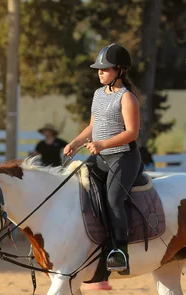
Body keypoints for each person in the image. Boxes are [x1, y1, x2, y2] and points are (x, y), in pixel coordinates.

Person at [63, 43, 141, 274]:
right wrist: (76, 143)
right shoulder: (98, 95)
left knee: (114, 199)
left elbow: (131, 133)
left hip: (124, 158)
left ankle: (120, 251)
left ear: (120, 70)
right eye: (99, 69)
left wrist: (102, 144)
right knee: (74, 184)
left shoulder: (127, 98)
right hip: (100, 157)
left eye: (105, 69)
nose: (100, 72)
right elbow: (93, 125)